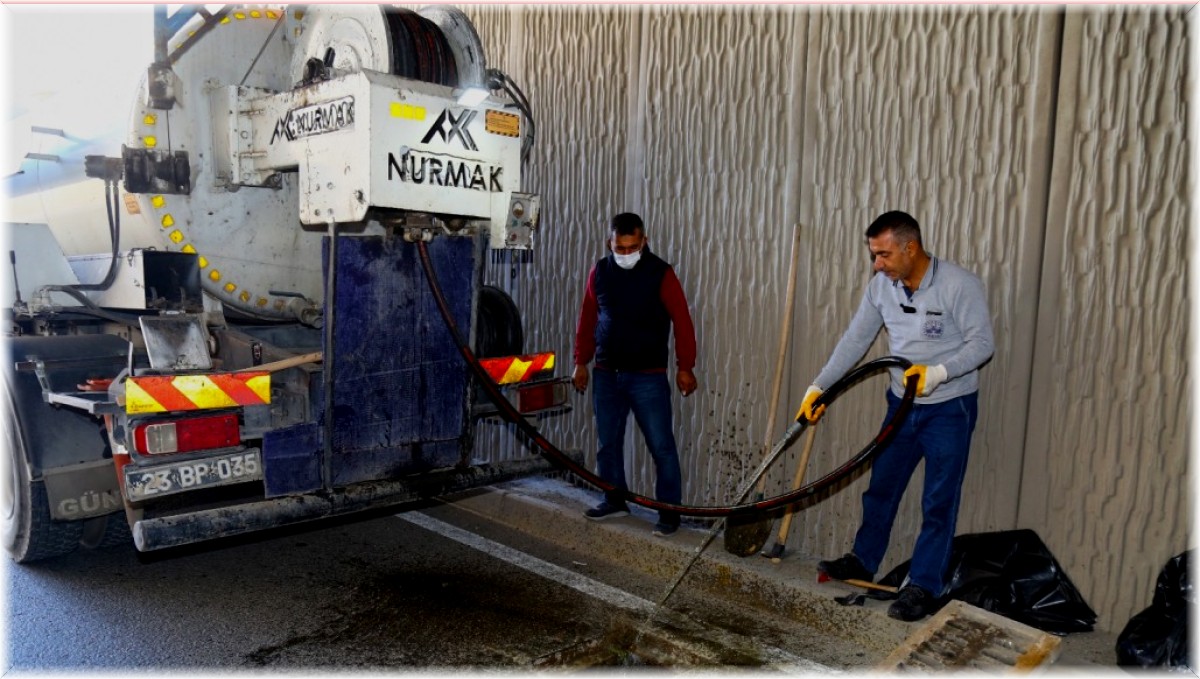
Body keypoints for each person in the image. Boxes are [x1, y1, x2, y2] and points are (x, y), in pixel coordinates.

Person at [801, 210, 994, 621]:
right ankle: (864, 560)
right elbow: (855, 340)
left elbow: (982, 344)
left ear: (911, 247)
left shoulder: (959, 285)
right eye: (874, 255)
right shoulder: (882, 288)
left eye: (884, 254)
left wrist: (940, 373)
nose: (877, 264)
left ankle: (923, 585)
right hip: (899, 406)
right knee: (881, 488)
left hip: (949, 409)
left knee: (938, 501)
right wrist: (820, 387)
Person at [572, 212, 698, 537]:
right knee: (607, 443)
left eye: (632, 247)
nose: (625, 254)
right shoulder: (599, 272)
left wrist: (686, 366)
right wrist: (580, 361)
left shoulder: (661, 273)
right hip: (605, 373)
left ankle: (669, 513)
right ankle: (615, 498)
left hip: (648, 377)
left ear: (644, 242)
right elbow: (588, 318)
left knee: (662, 446)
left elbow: (682, 321)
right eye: (620, 248)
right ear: (609, 243)